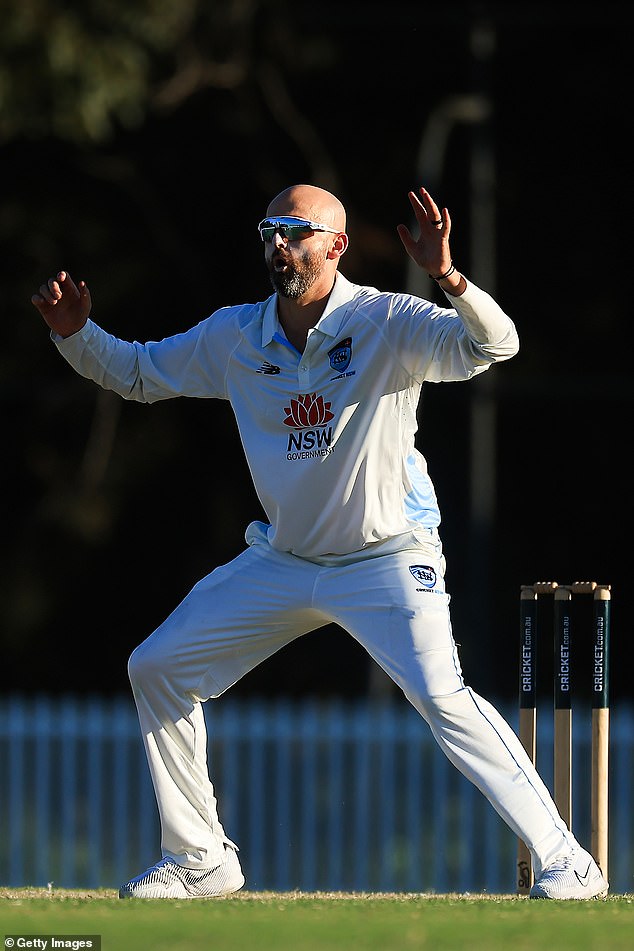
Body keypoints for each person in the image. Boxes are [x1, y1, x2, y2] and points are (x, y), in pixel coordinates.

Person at [32, 184, 608, 901]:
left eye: (297, 232)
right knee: (157, 666)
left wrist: (448, 276)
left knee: (441, 694)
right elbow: (141, 375)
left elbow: (496, 344)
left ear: (335, 246)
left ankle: (568, 858)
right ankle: (200, 856)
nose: (280, 244)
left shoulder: (387, 320)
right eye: (271, 229)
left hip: (388, 555)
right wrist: (76, 336)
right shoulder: (236, 336)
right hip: (287, 557)